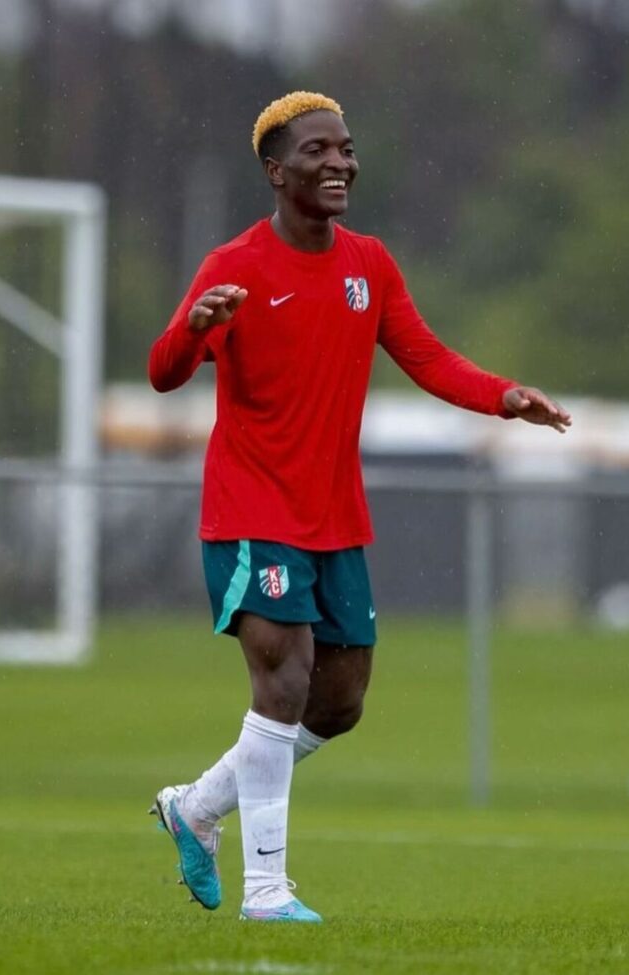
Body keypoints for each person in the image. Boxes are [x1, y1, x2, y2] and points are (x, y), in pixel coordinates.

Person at [147, 91, 571, 924]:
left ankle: (195, 806)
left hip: (334, 517)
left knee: (337, 702)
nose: (340, 162)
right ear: (276, 171)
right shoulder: (234, 264)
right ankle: (267, 892)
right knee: (285, 678)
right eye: (317, 151)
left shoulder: (368, 263)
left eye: (345, 148)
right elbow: (164, 370)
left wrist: (504, 396)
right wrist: (196, 326)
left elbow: (426, 355)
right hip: (251, 510)